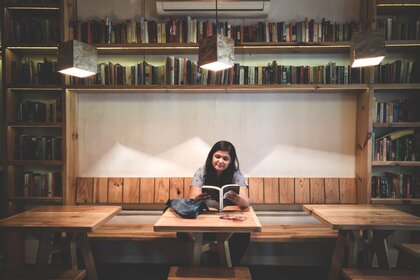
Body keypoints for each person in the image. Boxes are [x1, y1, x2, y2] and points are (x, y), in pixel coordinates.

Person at [189, 140, 250, 265]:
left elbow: (246, 203)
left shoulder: (237, 174)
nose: (220, 161)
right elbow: (192, 198)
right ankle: (208, 267)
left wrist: (238, 199)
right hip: (205, 218)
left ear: (231, 160)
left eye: (225, 158)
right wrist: (199, 197)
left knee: (244, 234)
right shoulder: (202, 172)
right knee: (186, 232)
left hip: (228, 219)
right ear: (211, 156)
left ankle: (227, 268)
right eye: (217, 156)